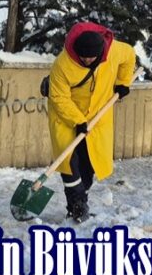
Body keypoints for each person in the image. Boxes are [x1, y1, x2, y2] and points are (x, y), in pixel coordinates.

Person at [46, 22, 136, 222]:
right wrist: (77, 120)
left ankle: (79, 202)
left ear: (101, 52)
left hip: (98, 119)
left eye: (91, 57)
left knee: (89, 164)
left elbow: (130, 56)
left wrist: (123, 83)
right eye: (83, 57)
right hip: (66, 117)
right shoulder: (62, 64)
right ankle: (77, 206)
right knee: (70, 162)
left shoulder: (114, 50)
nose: (86, 60)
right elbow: (59, 98)